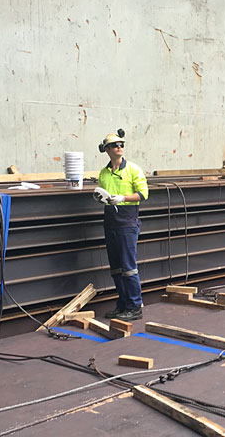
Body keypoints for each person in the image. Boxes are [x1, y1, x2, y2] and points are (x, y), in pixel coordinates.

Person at [93, 129, 149, 321]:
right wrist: (102, 198)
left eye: (121, 145)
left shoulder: (133, 169)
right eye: (115, 145)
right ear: (107, 149)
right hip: (110, 222)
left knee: (129, 267)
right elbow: (102, 193)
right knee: (116, 268)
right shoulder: (104, 173)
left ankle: (135, 306)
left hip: (127, 222)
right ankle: (123, 304)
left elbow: (143, 194)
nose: (119, 147)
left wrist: (123, 198)